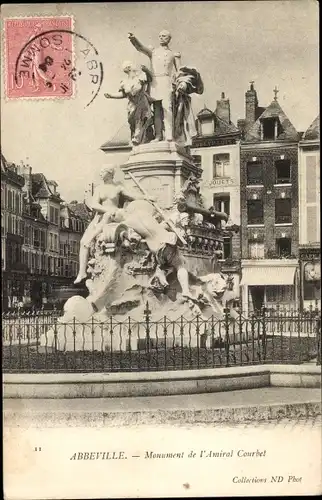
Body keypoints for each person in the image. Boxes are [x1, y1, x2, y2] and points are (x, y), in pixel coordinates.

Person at [74, 164, 148, 284]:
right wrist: (107, 210)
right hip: (101, 216)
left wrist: (146, 197)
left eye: (103, 171)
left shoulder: (118, 187)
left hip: (115, 215)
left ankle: (92, 238)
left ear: (110, 173)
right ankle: (82, 272)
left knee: (107, 218)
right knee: (83, 242)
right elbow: (94, 205)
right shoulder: (99, 189)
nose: (100, 174)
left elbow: (133, 196)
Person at [128, 30, 181, 142]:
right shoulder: (153, 52)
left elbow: (179, 71)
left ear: (169, 39)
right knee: (156, 109)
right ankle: (158, 136)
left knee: (167, 107)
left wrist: (178, 81)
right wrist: (133, 39)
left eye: (164, 36)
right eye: (160, 36)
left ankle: (169, 134)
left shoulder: (174, 54)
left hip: (167, 81)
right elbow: (140, 47)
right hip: (155, 82)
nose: (161, 38)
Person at [104, 61, 153, 145]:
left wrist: (147, 71)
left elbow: (149, 79)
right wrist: (111, 95)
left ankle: (137, 138)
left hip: (141, 102)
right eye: (133, 65)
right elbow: (123, 94)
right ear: (129, 68)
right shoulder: (124, 82)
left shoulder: (140, 77)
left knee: (140, 119)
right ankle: (137, 139)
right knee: (132, 122)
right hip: (132, 105)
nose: (135, 67)